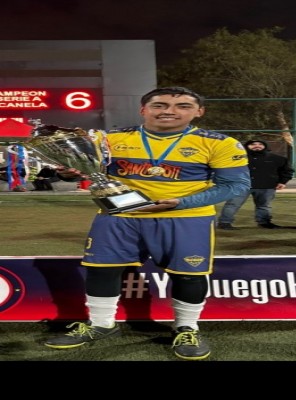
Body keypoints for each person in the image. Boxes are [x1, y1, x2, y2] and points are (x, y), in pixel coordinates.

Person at [44, 86, 250, 360]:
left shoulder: (220, 143)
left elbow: (235, 186)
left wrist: (180, 202)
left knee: (189, 274)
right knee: (101, 271)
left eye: (183, 106)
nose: (169, 111)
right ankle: (102, 325)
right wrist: (69, 172)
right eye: (159, 105)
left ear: (199, 112)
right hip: (119, 216)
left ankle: (186, 328)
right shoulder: (110, 139)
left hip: (185, 218)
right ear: (144, 110)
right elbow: (82, 172)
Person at [217, 139, 294, 230]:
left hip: (266, 186)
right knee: (232, 204)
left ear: (265, 146)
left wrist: (283, 182)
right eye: (253, 144)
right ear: (247, 146)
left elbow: (287, 171)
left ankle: (264, 223)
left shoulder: (277, 158)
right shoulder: (236, 158)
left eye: (260, 144)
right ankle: (224, 223)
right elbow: (224, 170)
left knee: (264, 206)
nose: (257, 146)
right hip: (241, 186)